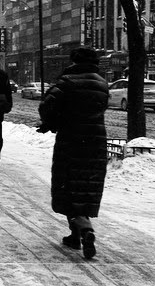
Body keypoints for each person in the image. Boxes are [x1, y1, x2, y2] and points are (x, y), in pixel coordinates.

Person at [37, 46, 109, 260]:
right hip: (95, 141)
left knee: (68, 185)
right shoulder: (102, 84)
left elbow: (47, 106)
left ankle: (84, 229)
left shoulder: (66, 82)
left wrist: (51, 123)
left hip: (71, 139)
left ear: (74, 61)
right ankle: (76, 234)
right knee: (85, 187)